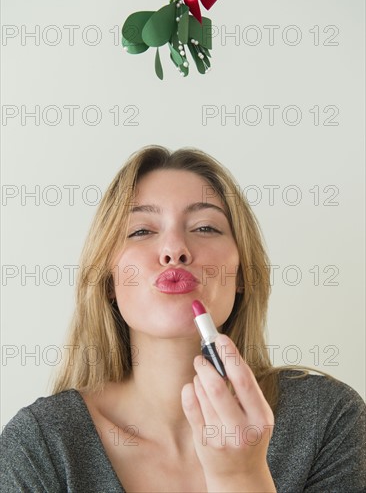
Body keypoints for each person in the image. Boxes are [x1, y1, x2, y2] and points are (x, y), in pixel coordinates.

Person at [1, 145, 365, 493]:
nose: (174, 249)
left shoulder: (325, 420)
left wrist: (241, 476)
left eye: (205, 227)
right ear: (109, 280)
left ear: (241, 274)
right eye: (141, 230)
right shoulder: (41, 445)